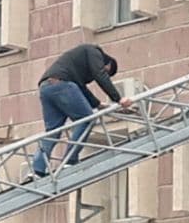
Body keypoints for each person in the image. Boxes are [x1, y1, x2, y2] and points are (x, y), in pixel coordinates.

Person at [28, 44, 132, 178]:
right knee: (87, 119)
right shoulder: (94, 52)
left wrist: (98, 104)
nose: (105, 73)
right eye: (107, 71)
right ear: (108, 64)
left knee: (53, 131)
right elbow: (99, 74)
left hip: (46, 88)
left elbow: (80, 87)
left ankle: (38, 170)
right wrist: (118, 98)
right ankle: (70, 160)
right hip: (62, 84)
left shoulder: (78, 61)